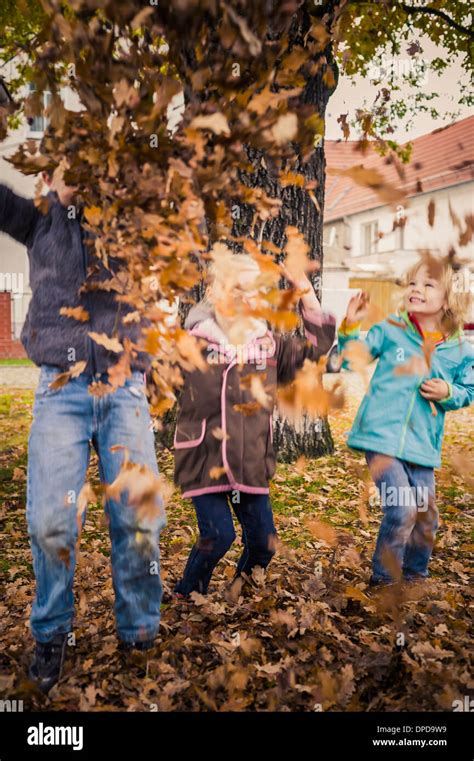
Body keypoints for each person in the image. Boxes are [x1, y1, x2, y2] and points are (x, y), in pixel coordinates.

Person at [0, 168, 165, 692]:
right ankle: (51, 634)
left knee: (139, 518)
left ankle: (138, 632)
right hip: (60, 390)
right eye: (69, 163)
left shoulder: (129, 221)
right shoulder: (36, 221)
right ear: (47, 175)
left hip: (124, 387)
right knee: (51, 522)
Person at [173, 253, 336, 598]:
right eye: (237, 289)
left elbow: (317, 348)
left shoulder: (270, 345)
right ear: (216, 292)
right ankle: (189, 593)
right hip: (205, 458)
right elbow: (156, 376)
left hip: (250, 459)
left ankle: (239, 592)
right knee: (218, 535)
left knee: (264, 544)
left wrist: (305, 291)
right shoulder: (192, 343)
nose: (247, 298)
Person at [338, 256, 473, 586]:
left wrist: (448, 392)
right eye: (413, 283)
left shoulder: (458, 349)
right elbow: (353, 359)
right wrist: (350, 326)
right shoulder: (391, 330)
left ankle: (414, 578)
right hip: (380, 439)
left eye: (428, 285)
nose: (417, 289)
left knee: (426, 517)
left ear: (448, 299)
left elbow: (468, 389)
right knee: (401, 510)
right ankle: (383, 582)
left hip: (422, 446)